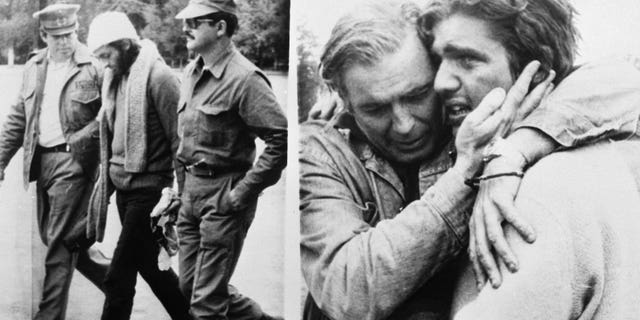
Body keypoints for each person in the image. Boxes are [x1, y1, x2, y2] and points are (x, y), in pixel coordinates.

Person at [300, 0, 640, 319]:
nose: (403, 125)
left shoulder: (472, 119)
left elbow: (622, 84)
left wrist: (514, 148)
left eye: (418, 95)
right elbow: (346, 289)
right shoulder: (319, 151)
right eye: (374, 109)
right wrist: (468, 171)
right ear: (343, 100)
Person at [418, 0, 640, 318]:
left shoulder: (535, 194)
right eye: (439, 60)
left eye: (467, 59)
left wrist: (507, 154)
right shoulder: (581, 155)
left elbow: (625, 80)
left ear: (533, 72)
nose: (440, 82)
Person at [174, 0, 288, 319]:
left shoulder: (245, 78)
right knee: (190, 288)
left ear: (220, 27)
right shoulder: (190, 72)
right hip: (190, 195)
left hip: (224, 198)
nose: (186, 27)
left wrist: (241, 193)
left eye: (195, 22)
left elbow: (280, 139)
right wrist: (180, 192)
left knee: (205, 306)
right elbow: (183, 138)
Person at [0, 3, 109, 319]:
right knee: (64, 242)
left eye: (70, 34)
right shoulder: (34, 67)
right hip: (43, 164)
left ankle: (48, 316)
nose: (65, 41)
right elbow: (18, 118)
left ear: (77, 31)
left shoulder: (95, 67)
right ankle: (118, 283)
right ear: (44, 35)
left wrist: (82, 141)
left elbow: (110, 116)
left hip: (76, 165)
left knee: (58, 247)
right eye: (57, 36)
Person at [86, 12, 191, 320]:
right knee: (154, 273)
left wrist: (180, 197)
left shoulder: (160, 77)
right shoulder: (115, 78)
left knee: (117, 277)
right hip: (123, 191)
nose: (105, 63)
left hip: (149, 195)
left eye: (107, 55)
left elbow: (179, 140)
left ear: (125, 44)